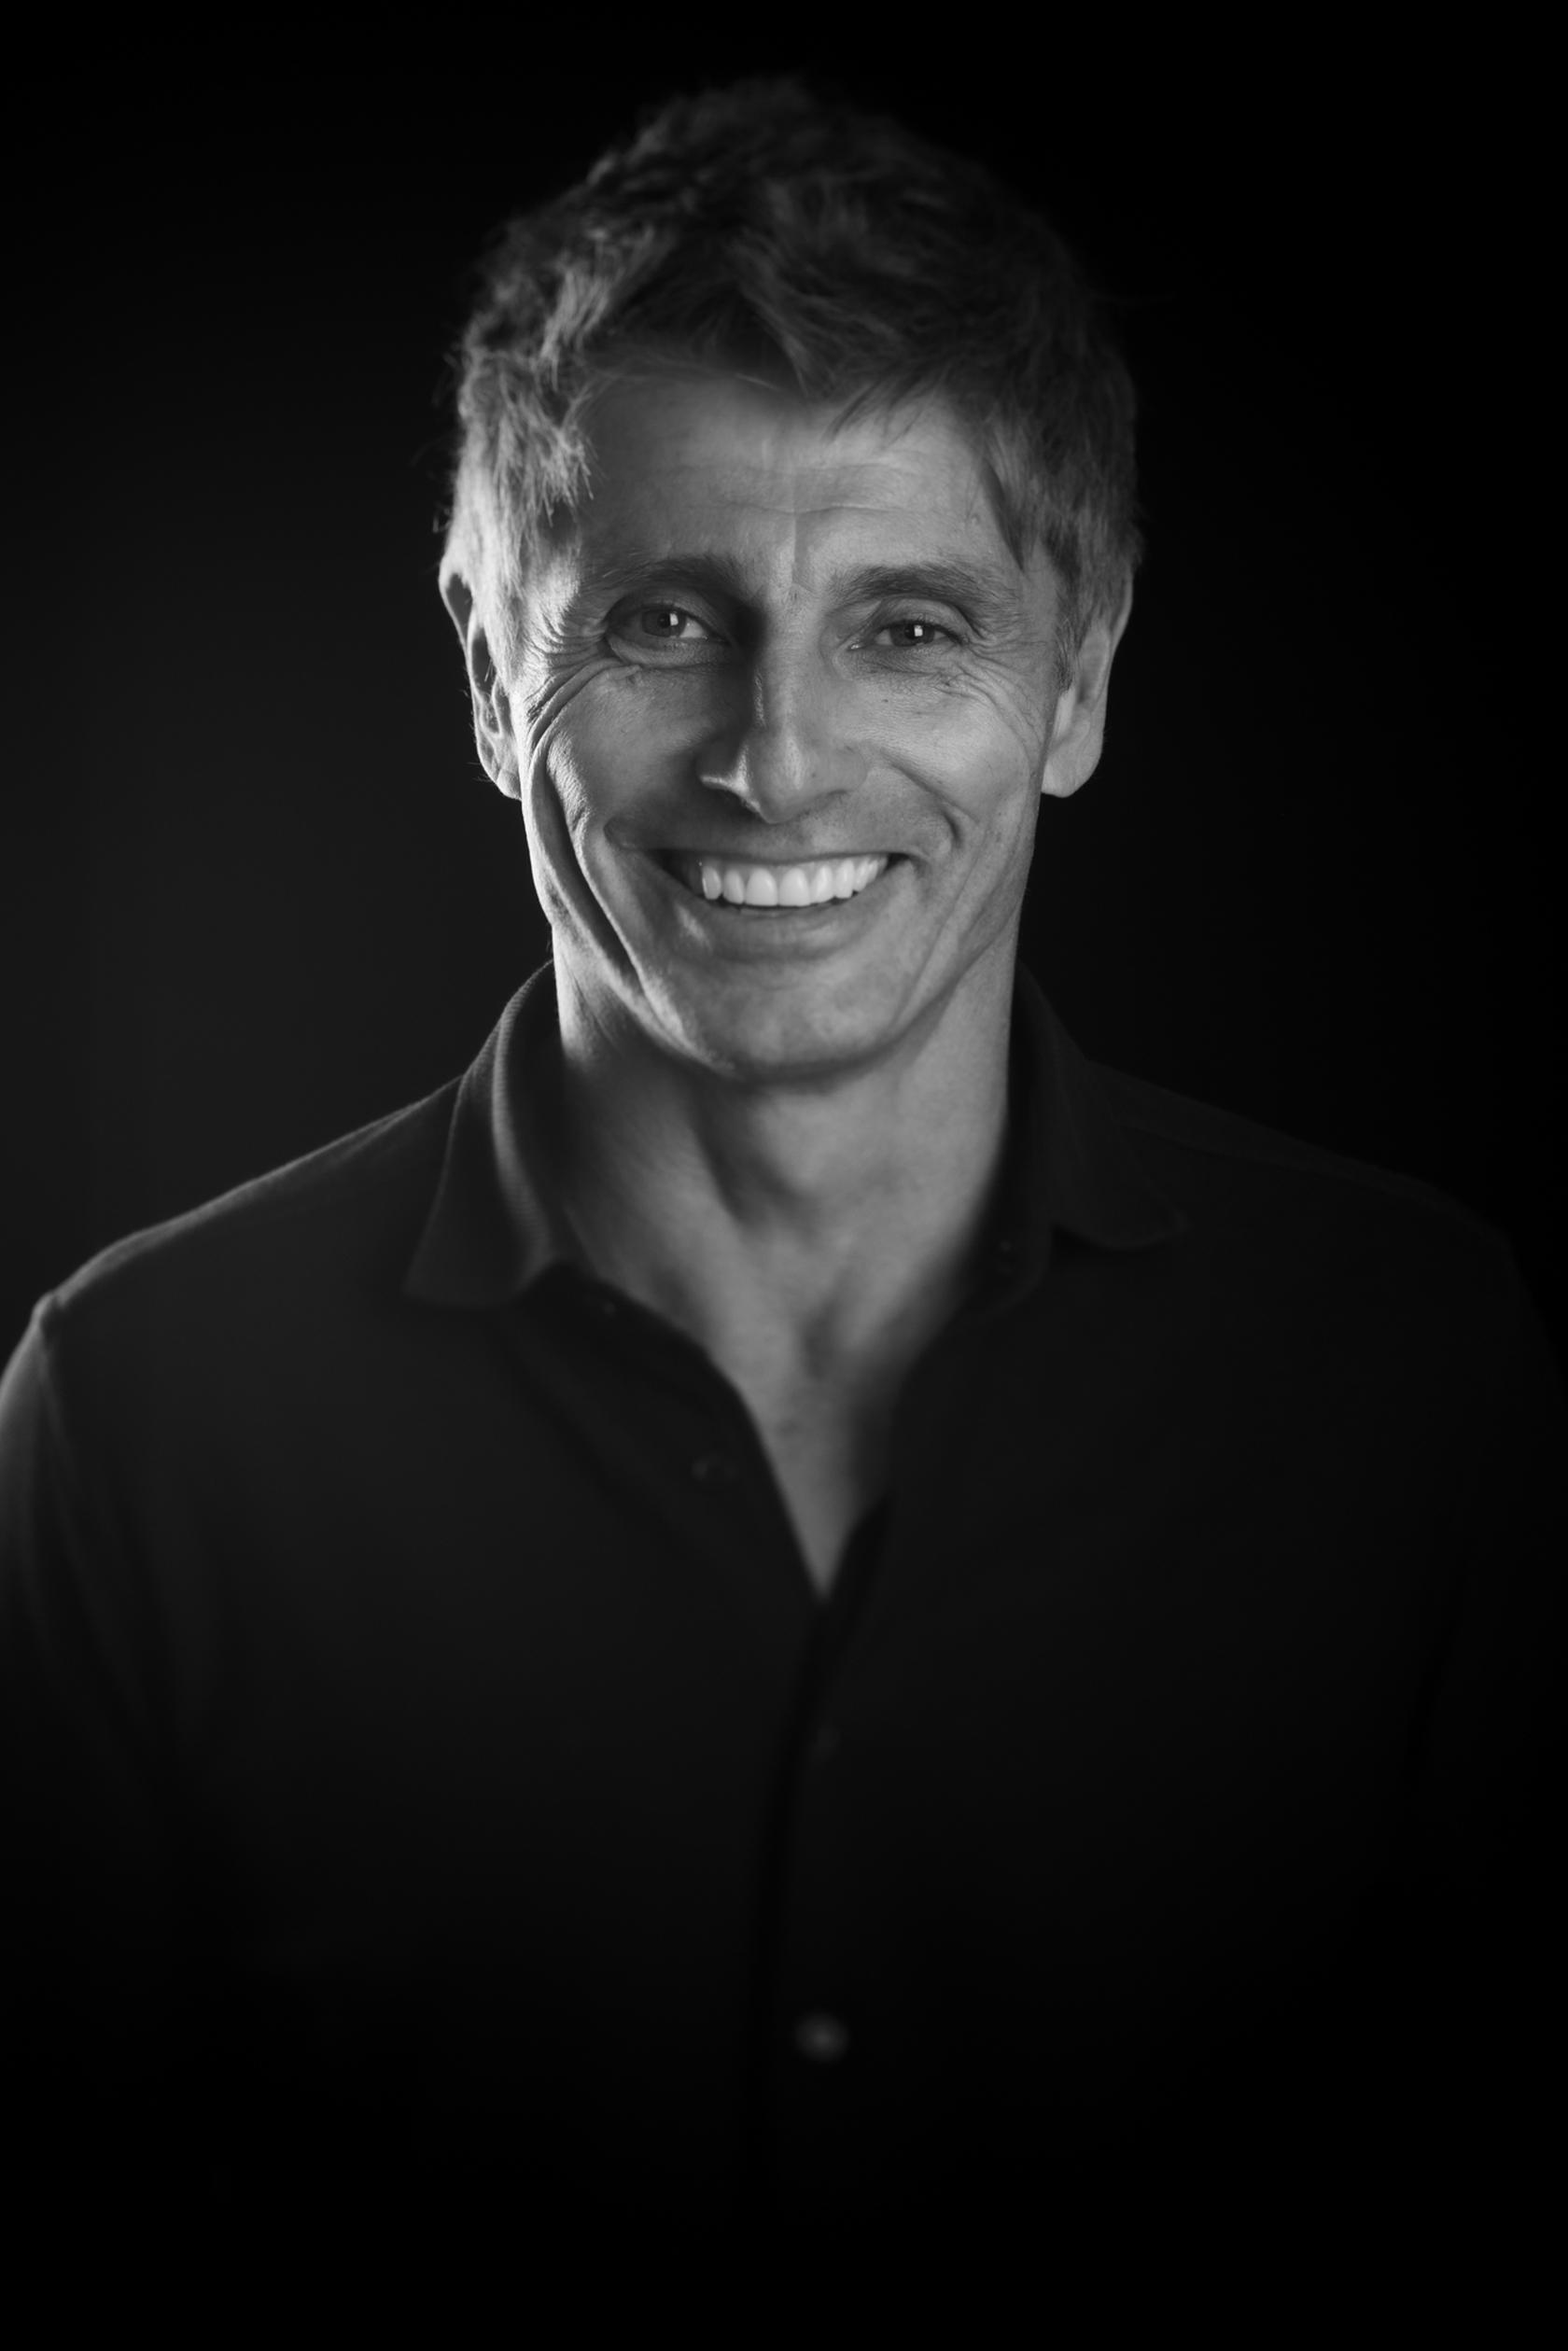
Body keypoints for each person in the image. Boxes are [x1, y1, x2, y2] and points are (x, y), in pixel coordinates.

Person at [2, 72, 1561, 2301]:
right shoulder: (142, 1418)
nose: (778, 760)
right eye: (663, 620)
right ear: (489, 667)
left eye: (909, 626)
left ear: (1080, 678)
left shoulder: (1406, 1372)